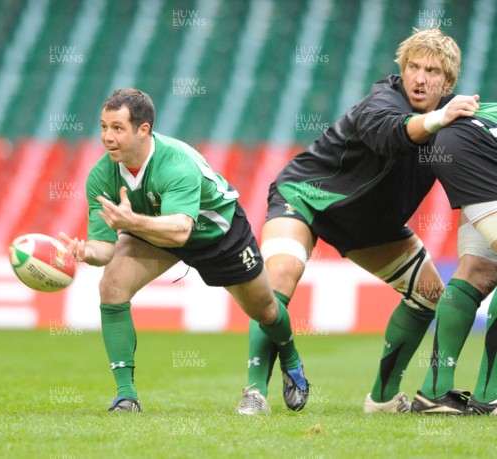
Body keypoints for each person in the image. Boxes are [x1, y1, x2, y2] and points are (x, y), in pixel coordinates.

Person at [235, 28, 485, 415]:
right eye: (413, 67)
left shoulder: (455, 124)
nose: (419, 78)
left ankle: (383, 399)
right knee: (280, 276)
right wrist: (439, 118)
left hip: (369, 225)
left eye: (432, 71)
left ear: (448, 81)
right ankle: (254, 393)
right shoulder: (382, 100)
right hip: (306, 196)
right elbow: (391, 135)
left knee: (430, 295)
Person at [59, 88, 308, 412]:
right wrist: (86, 252)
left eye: (117, 128)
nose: (107, 137)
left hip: (217, 233)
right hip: (153, 231)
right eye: (104, 127)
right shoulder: (100, 176)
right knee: (111, 286)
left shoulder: (177, 163)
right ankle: (126, 395)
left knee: (267, 311)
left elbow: (181, 230)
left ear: (143, 129)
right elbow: (105, 249)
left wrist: (132, 220)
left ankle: (291, 359)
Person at [411, 103, 497, 415]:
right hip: (479, 150)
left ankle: (435, 391)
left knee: (478, 271)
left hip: (460, 141)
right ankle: (490, 396)